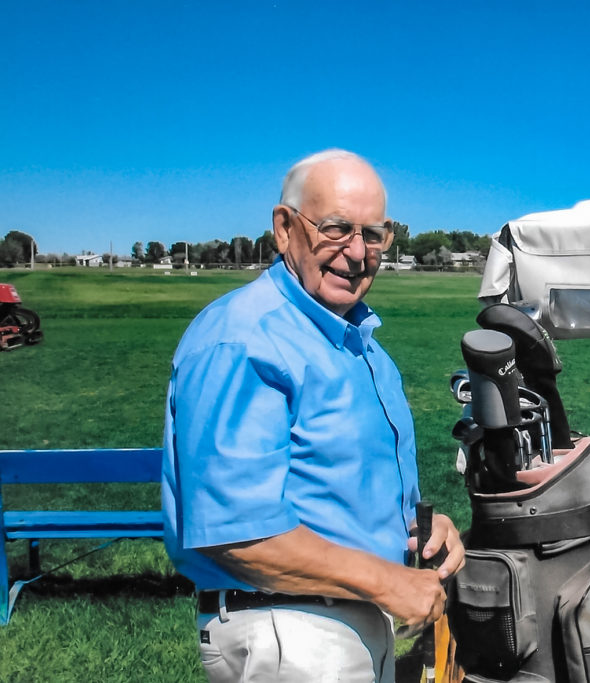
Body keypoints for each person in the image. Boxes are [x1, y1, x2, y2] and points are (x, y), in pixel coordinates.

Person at [161, 149, 465, 682]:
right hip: (288, 631)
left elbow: (341, 488)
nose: (356, 252)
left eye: (373, 235)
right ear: (284, 228)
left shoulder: (361, 347)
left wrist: (417, 530)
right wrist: (388, 582)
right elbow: (238, 533)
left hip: (350, 620)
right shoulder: (243, 338)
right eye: (336, 229)